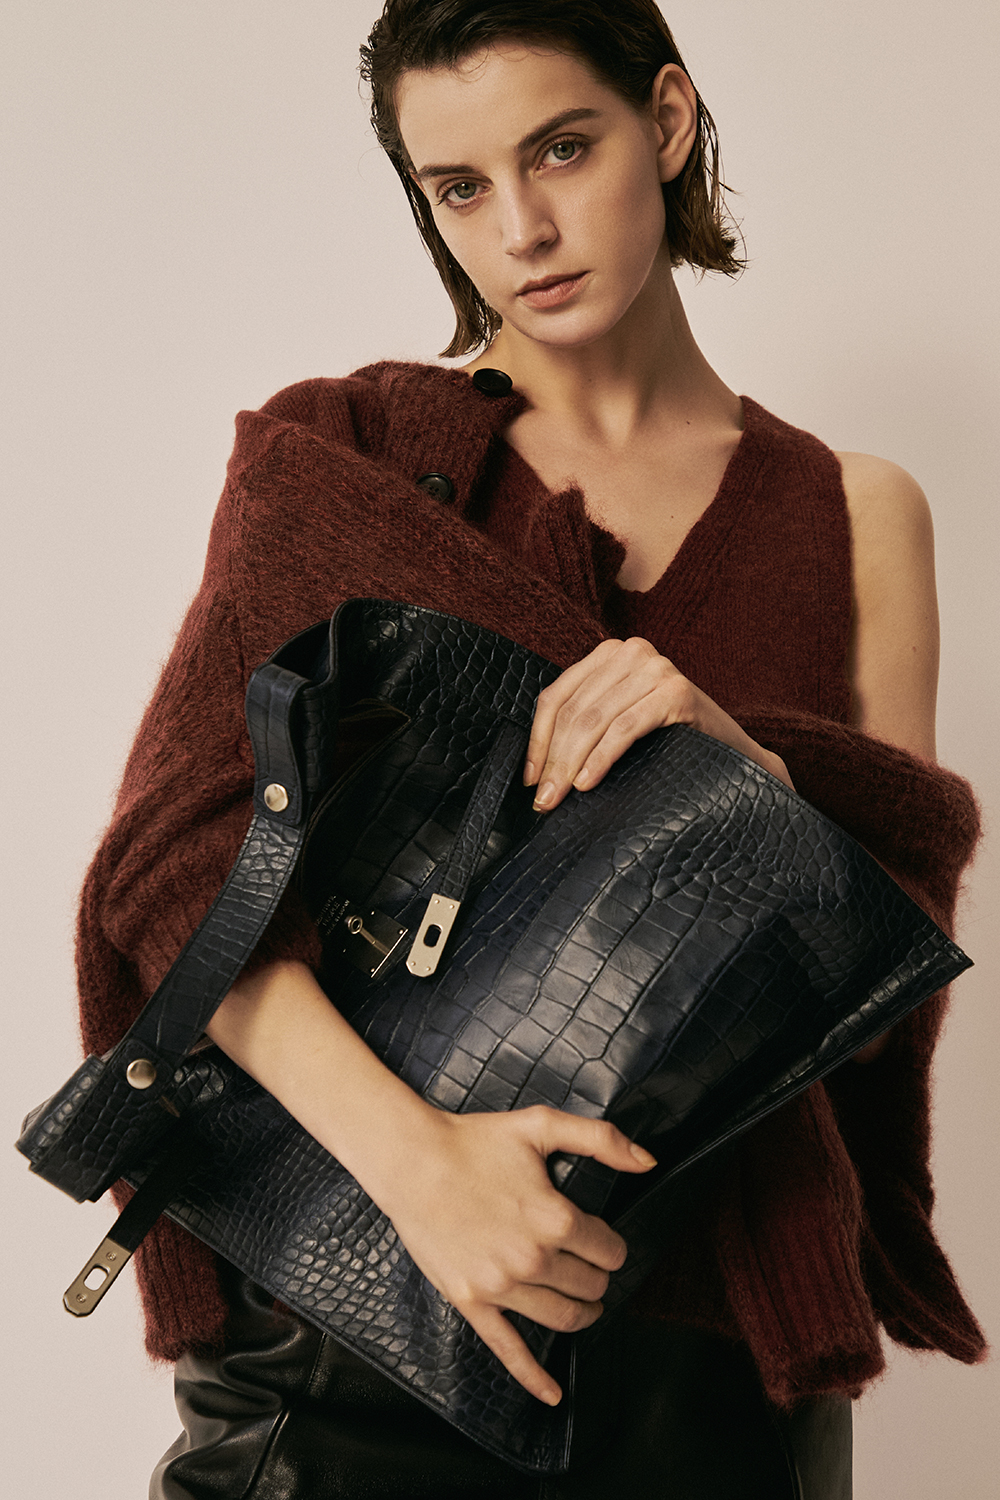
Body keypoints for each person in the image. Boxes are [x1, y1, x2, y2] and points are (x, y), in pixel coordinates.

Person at [73, 2, 985, 1496]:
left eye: (562, 149)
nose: (522, 230)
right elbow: (176, 872)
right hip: (350, 1325)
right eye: (460, 186)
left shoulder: (853, 513)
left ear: (667, 122)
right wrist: (425, 1170)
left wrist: (741, 773)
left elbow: (881, 1005)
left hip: (715, 1378)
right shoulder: (351, 459)